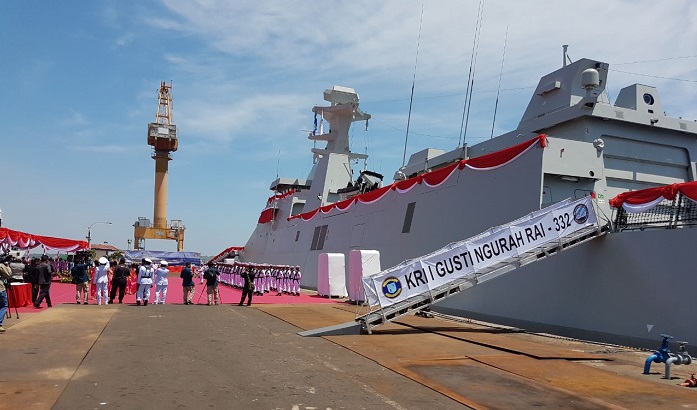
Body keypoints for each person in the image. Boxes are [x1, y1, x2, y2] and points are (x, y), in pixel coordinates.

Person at [0, 259, 13, 333]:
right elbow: (8, 275)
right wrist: (7, 266)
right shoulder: (1, 266)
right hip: (0, 288)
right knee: (3, 305)